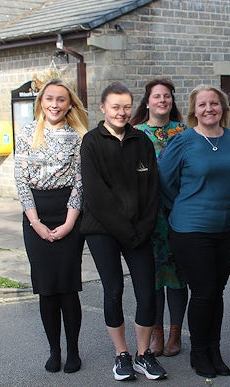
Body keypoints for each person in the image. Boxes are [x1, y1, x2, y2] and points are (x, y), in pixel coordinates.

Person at [80, 81, 167, 381]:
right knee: (113, 289)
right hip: (102, 230)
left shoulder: (141, 141)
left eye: (126, 106)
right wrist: (126, 232)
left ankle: (144, 354)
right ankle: (122, 355)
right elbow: (96, 195)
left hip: (139, 231)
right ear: (103, 108)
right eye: (115, 106)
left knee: (147, 293)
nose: (121, 112)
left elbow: (151, 189)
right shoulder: (91, 142)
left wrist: (140, 229)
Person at [159, 84, 230, 379]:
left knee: (216, 293)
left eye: (214, 103)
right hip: (191, 229)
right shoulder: (183, 141)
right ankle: (199, 352)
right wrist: (185, 208)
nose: (209, 109)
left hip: (228, 228)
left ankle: (214, 349)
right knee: (204, 292)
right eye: (202, 104)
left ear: (223, 108)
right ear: (194, 111)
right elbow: (165, 183)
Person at [13, 78, 89, 374]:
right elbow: (21, 181)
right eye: (49, 99)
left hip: (68, 212)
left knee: (67, 288)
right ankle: (54, 350)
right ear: (41, 103)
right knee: (47, 289)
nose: (55, 105)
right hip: (36, 215)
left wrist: (70, 223)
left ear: (69, 104)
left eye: (61, 99)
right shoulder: (27, 133)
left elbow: (80, 182)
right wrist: (36, 223)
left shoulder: (79, 136)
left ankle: (73, 351)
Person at [130, 78, 188, 358]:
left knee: (177, 277)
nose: (162, 100)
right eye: (157, 96)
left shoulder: (184, 132)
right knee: (151, 278)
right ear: (148, 101)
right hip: (148, 217)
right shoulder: (135, 133)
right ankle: (157, 333)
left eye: (167, 96)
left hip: (178, 214)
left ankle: (175, 333)